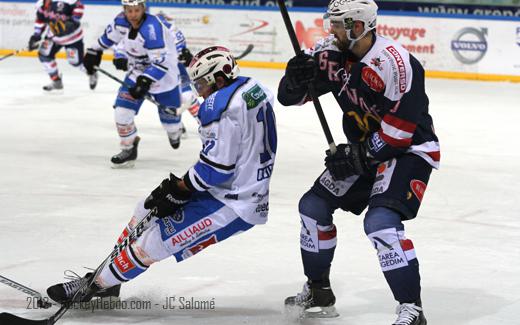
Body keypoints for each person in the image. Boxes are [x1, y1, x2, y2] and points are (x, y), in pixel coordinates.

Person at [46, 46, 278, 306]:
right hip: (232, 186)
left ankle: (95, 286)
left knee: (152, 243)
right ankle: (111, 280)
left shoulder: (218, 106)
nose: (199, 90)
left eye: (202, 83)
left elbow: (216, 169)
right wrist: (180, 188)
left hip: (235, 201)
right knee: (145, 208)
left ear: (220, 80)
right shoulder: (254, 87)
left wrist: (180, 188)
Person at [277, 0, 439, 324]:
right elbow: (289, 98)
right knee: (312, 207)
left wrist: (357, 157)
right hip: (365, 149)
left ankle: (412, 309)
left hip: (408, 151)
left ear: (359, 27)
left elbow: (399, 133)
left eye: (337, 24)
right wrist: (294, 79)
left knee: (379, 222)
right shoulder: (330, 56)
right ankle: (319, 289)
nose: (330, 30)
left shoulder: (396, 63)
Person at [82, 0, 185, 168]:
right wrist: (94, 51)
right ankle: (129, 147)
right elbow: (108, 38)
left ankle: (174, 131)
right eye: (129, 10)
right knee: (122, 112)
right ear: (124, 10)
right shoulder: (121, 21)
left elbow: (162, 62)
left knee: (171, 124)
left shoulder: (152, 28)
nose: (133, 15)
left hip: (164, 77)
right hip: (137, 73)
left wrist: (145, 81)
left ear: (143, 8)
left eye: (136, 10)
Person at [28, 0, 97, 91]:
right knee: (44, 55)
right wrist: (36, 36)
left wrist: (72, 21)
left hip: (72, 37)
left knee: (75, 62)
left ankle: (91, 73)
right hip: (53, 37)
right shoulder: (41, 4)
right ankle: (56, 81)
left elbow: (79, 7)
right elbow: (40, 20)